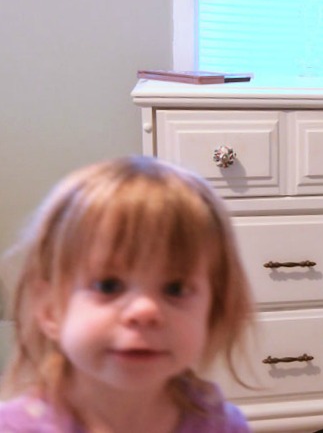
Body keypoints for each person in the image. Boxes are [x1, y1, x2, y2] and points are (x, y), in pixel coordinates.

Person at [0, 156, 254, 432]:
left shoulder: (221, 426)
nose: (145, 311)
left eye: (175, 289)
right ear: (50, 310)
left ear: (212, 310)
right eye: (108, 285)